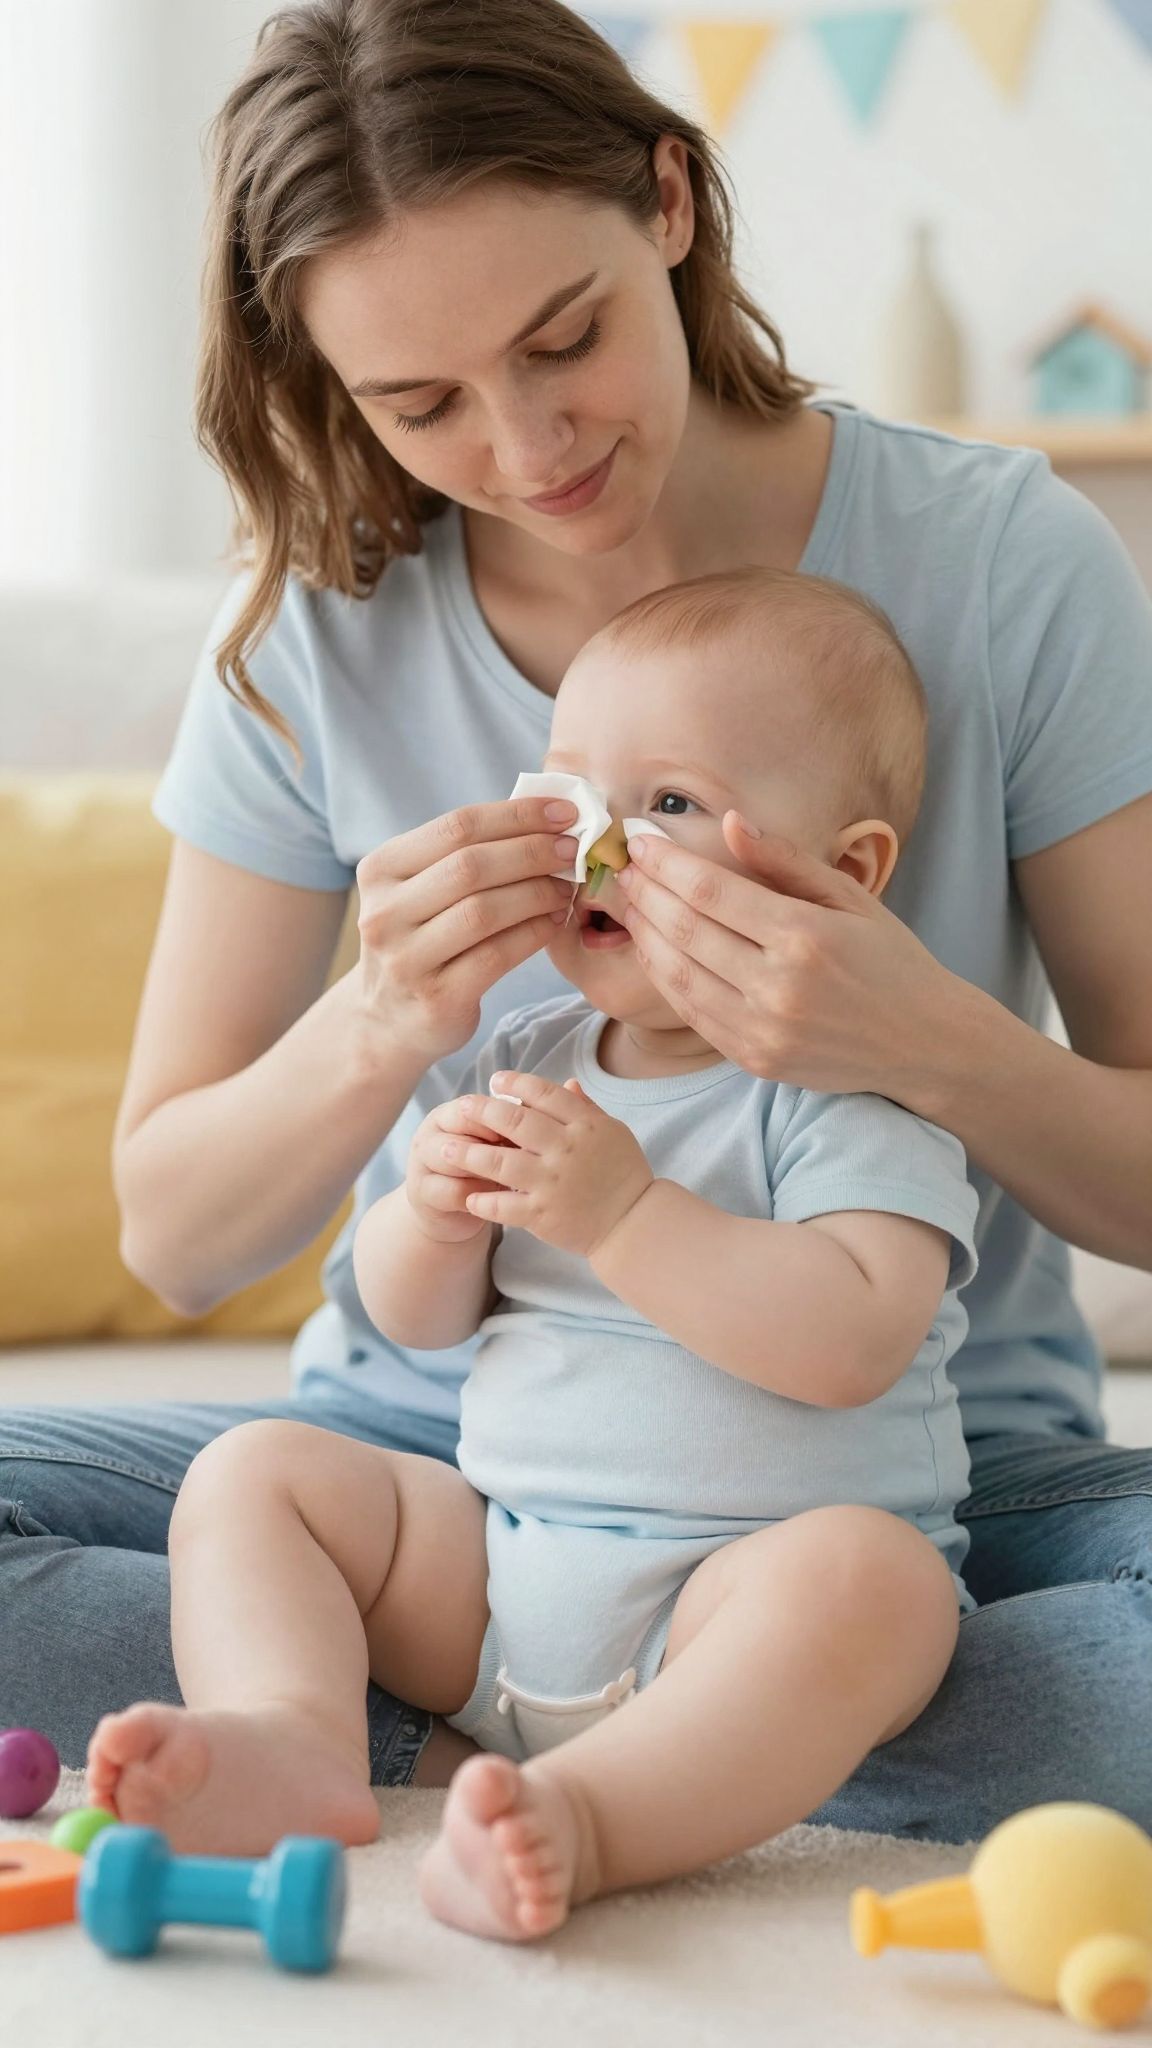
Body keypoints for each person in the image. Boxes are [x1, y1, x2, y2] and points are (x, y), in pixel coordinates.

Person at [3, 0, 1151, 1838]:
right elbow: (182, 1239)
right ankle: (621, 1758)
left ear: (670, 206)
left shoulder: (1004, 562)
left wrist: (918, 1037)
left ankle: (563, 1750)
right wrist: (383, 1019)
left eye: (565, 340)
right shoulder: (315, 635)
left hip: (906, 1482)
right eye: (421, 404)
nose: (529, 444)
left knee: (878, 1600)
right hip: (440, 1486)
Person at [86, 569, 983, 1939]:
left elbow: (855, 1340)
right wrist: (431, 1219)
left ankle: (594, 1818)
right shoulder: (525, 1053)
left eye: (669, 802)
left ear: (845, 872)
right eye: (572, 791)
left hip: (731, 1608)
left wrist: (624, 1219)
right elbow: (415, 1318)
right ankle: (296, 1735)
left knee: (878, 1588)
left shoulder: (847, 1086)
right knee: (256, 1474)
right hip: (502, 1583)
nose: (598, 842)